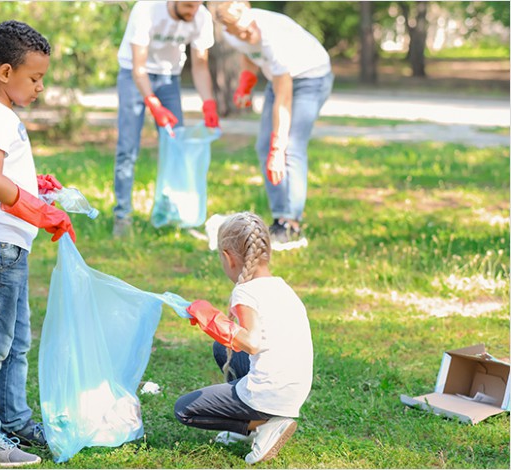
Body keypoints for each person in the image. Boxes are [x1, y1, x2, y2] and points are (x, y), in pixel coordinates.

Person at [0, 20, 76, 467]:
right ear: (6, 73)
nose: (40, 87)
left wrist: (28, 185)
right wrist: (38, 210)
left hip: (1, 249)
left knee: (16, 340)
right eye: (35, 78)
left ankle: (14, 421)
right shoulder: (0, 117)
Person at [173, 212, 313, 464]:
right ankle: (261, 420)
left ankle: (260, 424)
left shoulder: (245, 292)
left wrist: (213, 321)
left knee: (184, 410)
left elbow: (251, 342)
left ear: (227, 257)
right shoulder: (282, 287)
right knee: (221, 349)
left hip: (271, 395)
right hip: (294, 390)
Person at [215, 2, 333, 244]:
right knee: (263, 147)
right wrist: (246, 83)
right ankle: (279, 218)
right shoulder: (234, 34)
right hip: (278, 78)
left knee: (290, 148)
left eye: (251, 27)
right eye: (243, 32)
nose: (251, 34)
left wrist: (278, 148)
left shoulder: (272, 36)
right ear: (230, 31)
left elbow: (283, 100)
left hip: (311, 77)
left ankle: (292, 223)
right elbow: (250, 54)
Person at [113, 0, 220, 237]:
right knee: (127, 149)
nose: (193, 11)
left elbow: (200, 65)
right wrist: (153, 104)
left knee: (176, 147)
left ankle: (175, 214)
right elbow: (138, 68)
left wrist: (209, 103)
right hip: (134, 75)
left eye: (196, 5)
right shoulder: (146, 9)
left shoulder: (200, 16)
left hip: (169, 77)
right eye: (188, 5)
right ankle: (122, 216)